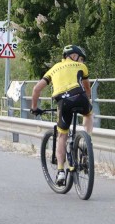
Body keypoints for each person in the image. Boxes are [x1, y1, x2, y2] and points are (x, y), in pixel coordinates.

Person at [30, 45, 93, 185]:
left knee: (62, 135)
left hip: (63, 102)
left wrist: (34, 108)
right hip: (80, 97)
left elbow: (36, 89)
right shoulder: (81, 67)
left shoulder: (54, 68)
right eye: (80, 58)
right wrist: (87, 101)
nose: (81, 61)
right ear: (73, 56)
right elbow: (87, 89)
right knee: (88, 114)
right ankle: (86, 143)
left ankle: (60, 172)